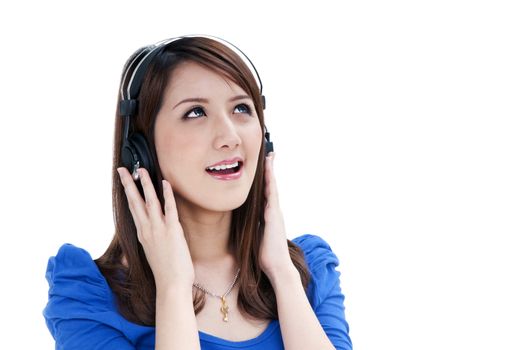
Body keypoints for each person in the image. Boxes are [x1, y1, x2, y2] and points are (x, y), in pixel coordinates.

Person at [43, 34, 352, 350]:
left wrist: (283, 275)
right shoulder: (87, 298)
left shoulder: (309, 270)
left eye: (241, 108)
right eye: (196, 113)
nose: (230, 137)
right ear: (141, 150)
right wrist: (173, 286)